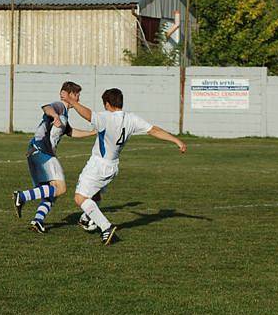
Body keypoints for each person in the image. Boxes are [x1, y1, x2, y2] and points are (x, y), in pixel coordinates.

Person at [62, 88, 186, 245]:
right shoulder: (131, 118)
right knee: (96, 195)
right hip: (113, 166)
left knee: (80, 198)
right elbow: (153, 130)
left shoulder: (106, 117)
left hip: (98, 164)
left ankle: (106, 228)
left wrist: (71, 101)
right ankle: (87, 219)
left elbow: (88, 114)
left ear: (107, 104)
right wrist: (177, 141)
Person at [12, 82, 96, 233]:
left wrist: (92, 133)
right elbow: (46, 107)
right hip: (42, 151)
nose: (78, 97)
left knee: (52, 191)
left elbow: (70, 132)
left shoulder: (64, 114)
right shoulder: (59, 106)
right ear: (68, 94)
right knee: (61, 188)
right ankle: (22, 196)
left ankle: (37, 220)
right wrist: (55, 115)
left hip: (36, 151)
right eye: (77, 94)